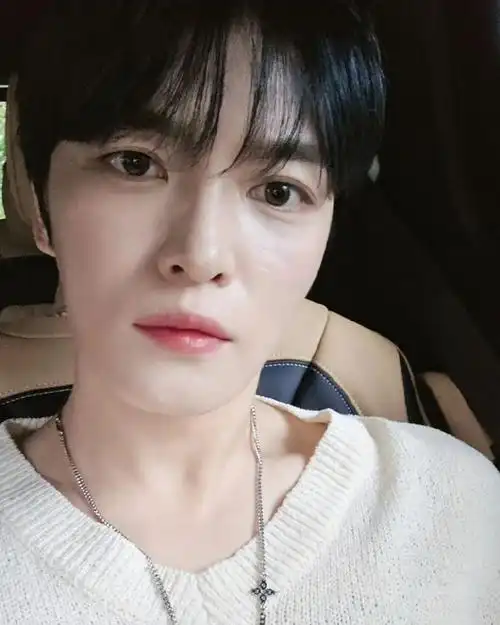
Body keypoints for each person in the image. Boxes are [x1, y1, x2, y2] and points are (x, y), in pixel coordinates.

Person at [0, 1, 498, 623]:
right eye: (135, 163)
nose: (200, 255)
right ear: (39, 205)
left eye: (278, 191)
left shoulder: (456, 511)